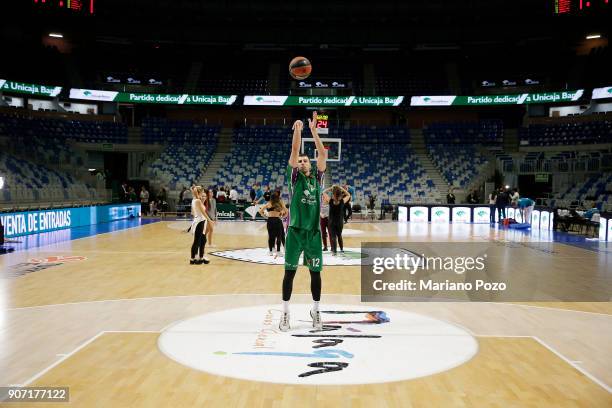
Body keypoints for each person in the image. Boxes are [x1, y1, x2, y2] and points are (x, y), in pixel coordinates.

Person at [280, 111, 327, 332]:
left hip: (314, 233)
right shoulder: (294, 177)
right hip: (295, 232)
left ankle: (316, 310)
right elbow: (294, 151)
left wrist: (314, 132)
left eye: (305, 160)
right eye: (300, 160)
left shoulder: (317, 178)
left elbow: (322, 156)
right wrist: (298, 131)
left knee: (315, 273)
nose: (302, 161)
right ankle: (285, 312)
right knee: (289, 273)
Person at [323, 185, 351, 256]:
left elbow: (323, 192)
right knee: (339, 235)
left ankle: (334, 252)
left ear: (333, 194)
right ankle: (341, 249)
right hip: (339, 222)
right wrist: (342, 188)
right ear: (340, 194)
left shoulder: (330, 201)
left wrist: (330, 188)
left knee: (333, 237)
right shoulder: (342, 201)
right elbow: (348, 195)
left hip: (331, 222)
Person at [259, 191, 288, 257]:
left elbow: (260, 211)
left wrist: (266, 217)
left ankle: (270, 251)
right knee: (279, 236)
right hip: (278, 220)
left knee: (270, 236)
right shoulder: (280, 203)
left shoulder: (268, 203)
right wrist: (283, 217)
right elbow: (286, 211)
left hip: (270, 220)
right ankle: (278, 251)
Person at [189, 186, 214, 265]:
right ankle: (193, 258)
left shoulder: (195, 200)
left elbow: (193, 213)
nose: (204, 195)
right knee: (197, 241)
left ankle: (200, 257)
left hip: (199, 221)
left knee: (202, 240)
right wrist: (209, 220)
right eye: (202, 193)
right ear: (200, 192)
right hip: (200, 222)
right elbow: (203, 213)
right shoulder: (198, 201)